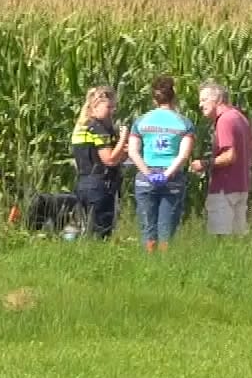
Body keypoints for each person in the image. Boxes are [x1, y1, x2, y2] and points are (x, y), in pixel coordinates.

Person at [128, 74, 196, 251]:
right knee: (167, 229)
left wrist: (149, 173)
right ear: (174, 96)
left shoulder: (141, 121)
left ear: (154, 99)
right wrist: (166, 174)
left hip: (146, 177)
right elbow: (183, 154)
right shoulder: (184, 123)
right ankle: (164, 264)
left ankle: (150, 263)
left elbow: (133, 152)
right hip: (171, 178)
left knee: (147, 229)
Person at [190, 80, 252, 236]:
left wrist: (204, 164)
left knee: (220, 237)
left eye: (204, 100)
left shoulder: (224, 120)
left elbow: (229, 156)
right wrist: (245, 166)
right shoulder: (239, 117)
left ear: (218, 99)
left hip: (224, 188)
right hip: (241, 186)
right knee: (238, 236)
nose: (200, 105)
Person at [70, 85, 130, 239]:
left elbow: (113, 157)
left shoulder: (82, 127)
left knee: (86, 230)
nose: (112, 111)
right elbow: (109, 159)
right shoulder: (98, 129)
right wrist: (123, 138)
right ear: (95, 105)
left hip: (83, 182)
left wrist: (122, 150)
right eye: (108, 106)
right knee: (101, 233)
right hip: (100, 185)